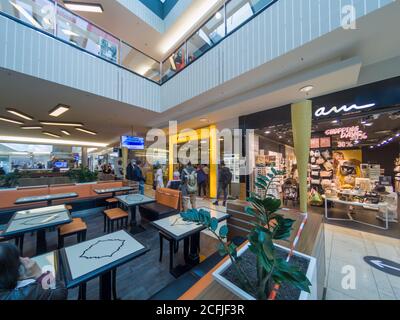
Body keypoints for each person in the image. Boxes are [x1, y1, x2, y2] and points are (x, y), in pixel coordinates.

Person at [0, 243, 67, 300]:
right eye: (17, 259)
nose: (25, 258)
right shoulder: (29, 292)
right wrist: (39, 274)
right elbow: (60, 293)